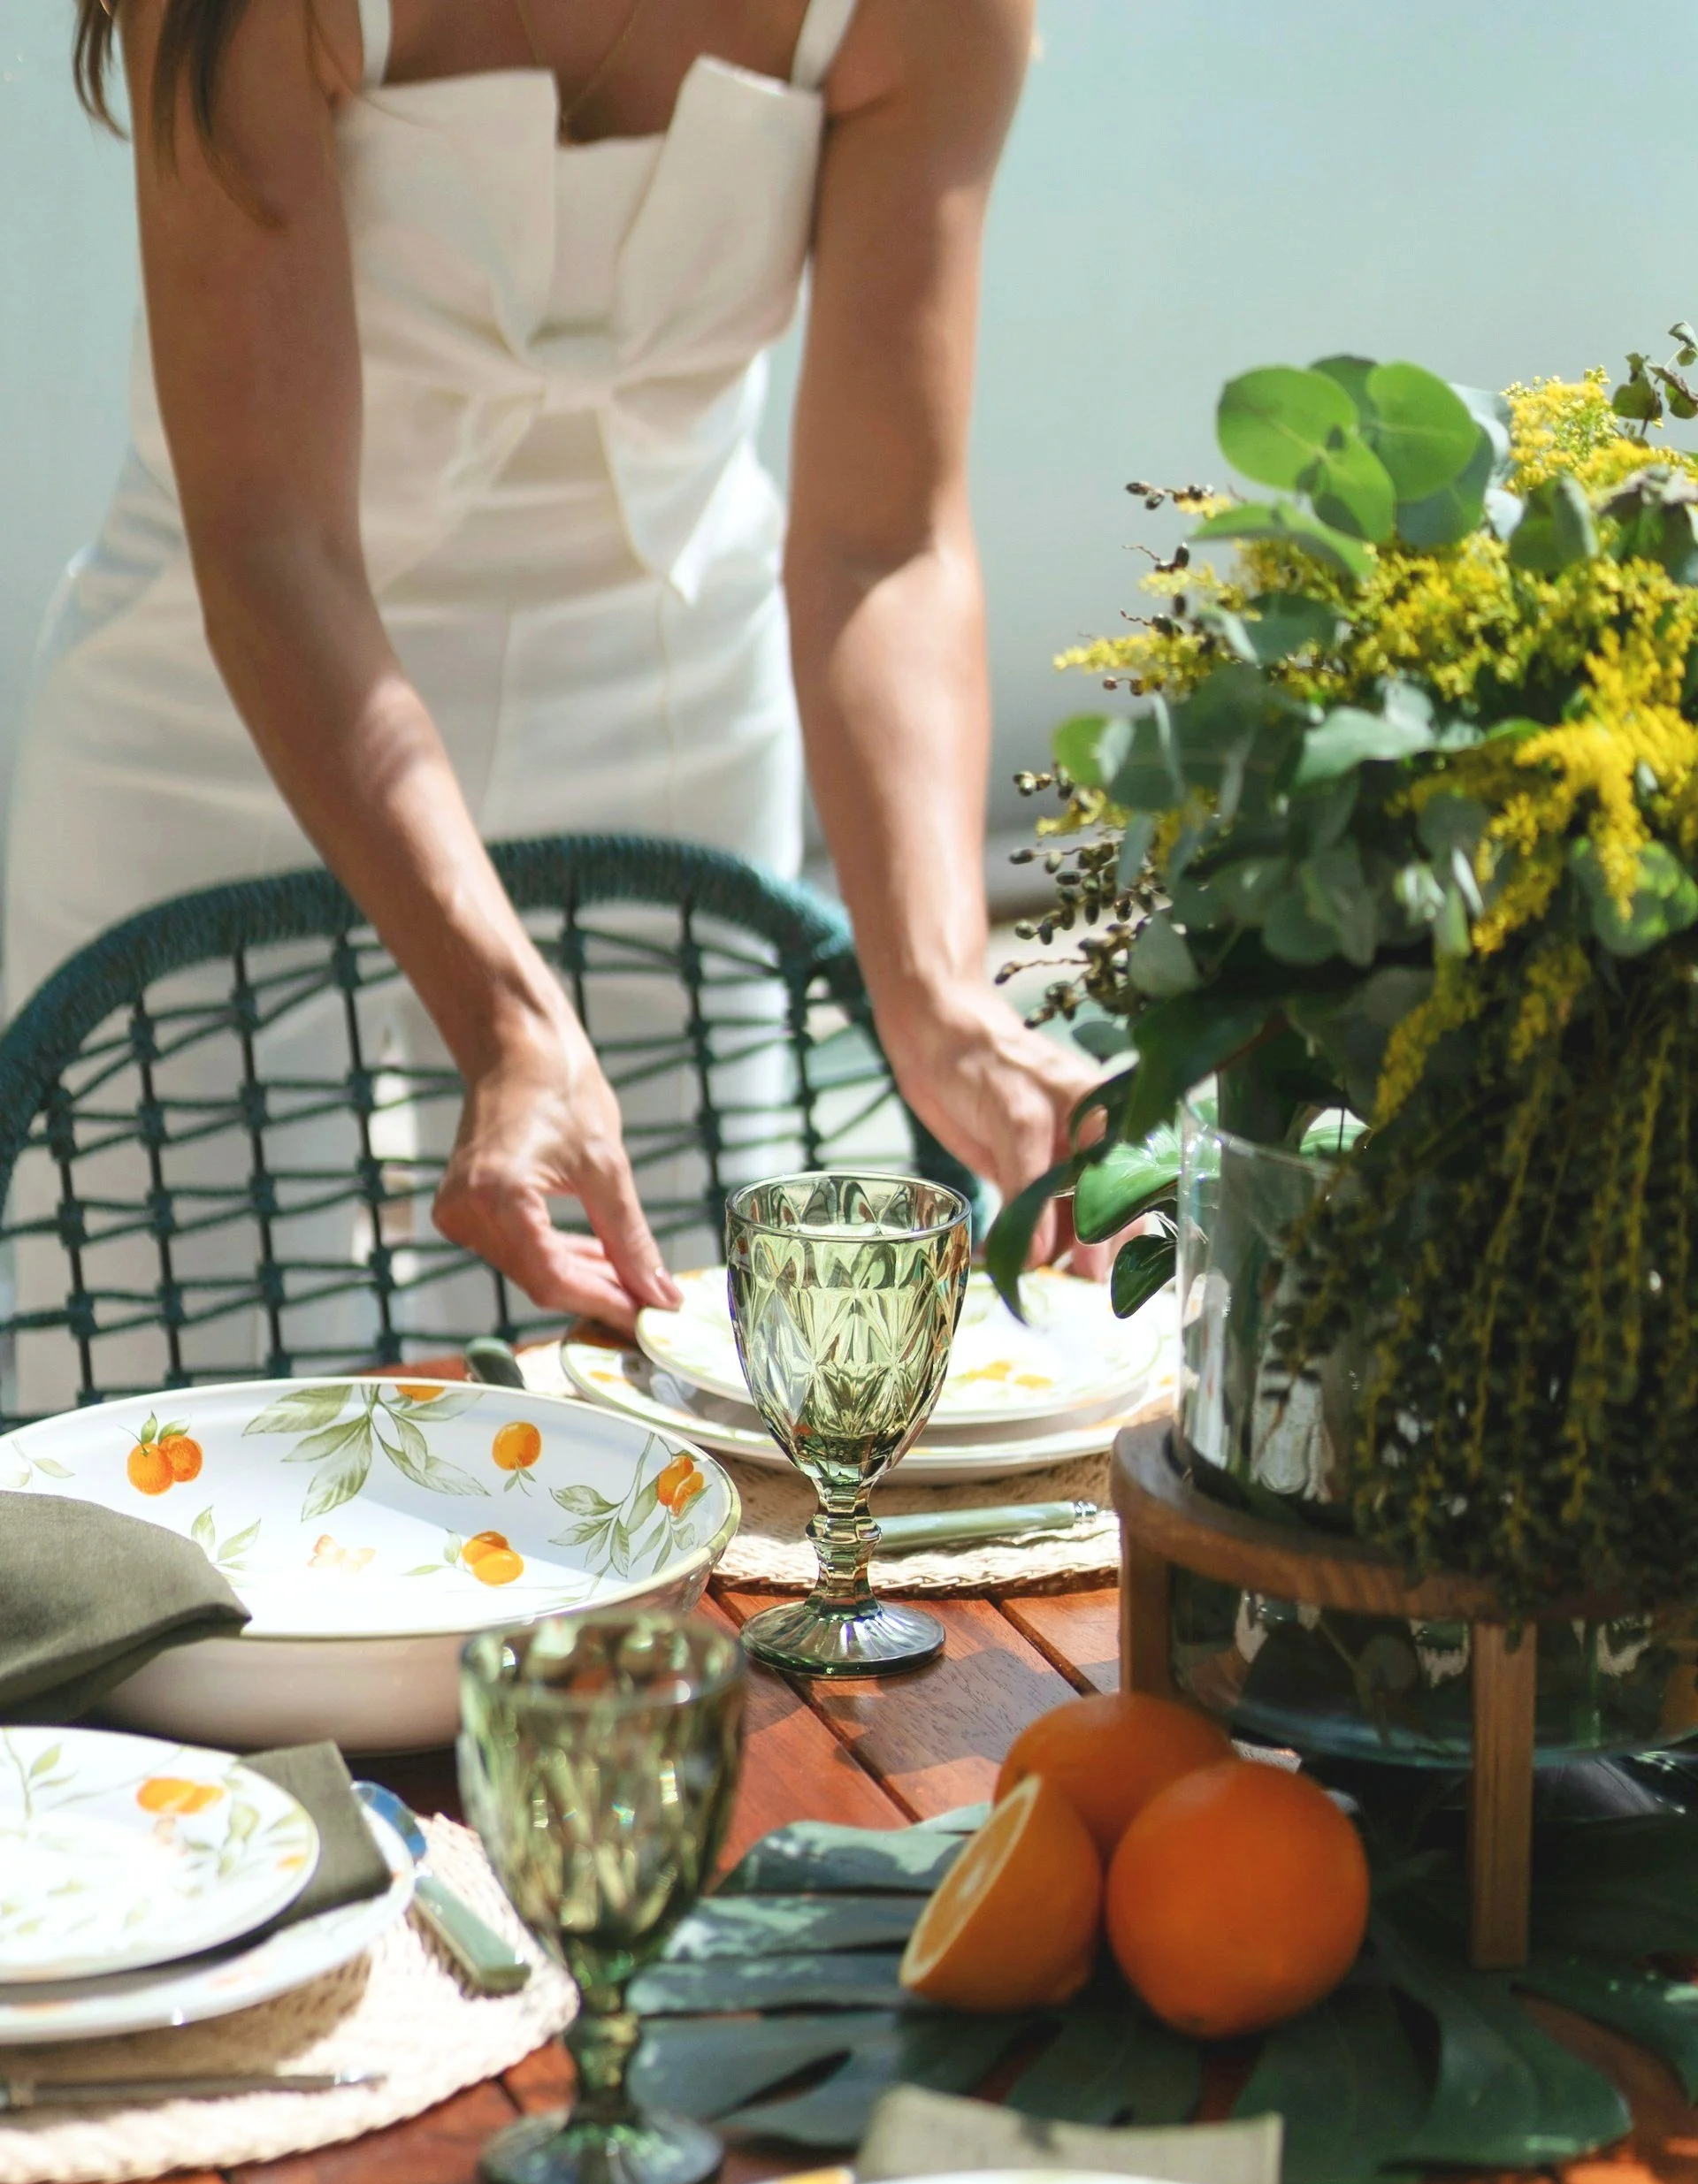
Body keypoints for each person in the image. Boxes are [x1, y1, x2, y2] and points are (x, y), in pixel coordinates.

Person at [10, 0, 1096, 1358]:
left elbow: (884, 544)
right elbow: (270, 543)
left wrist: (939, 990)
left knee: (684, 1435)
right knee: (182, 1445)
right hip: (226, 727)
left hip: (668, 727)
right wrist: (513, 1019)